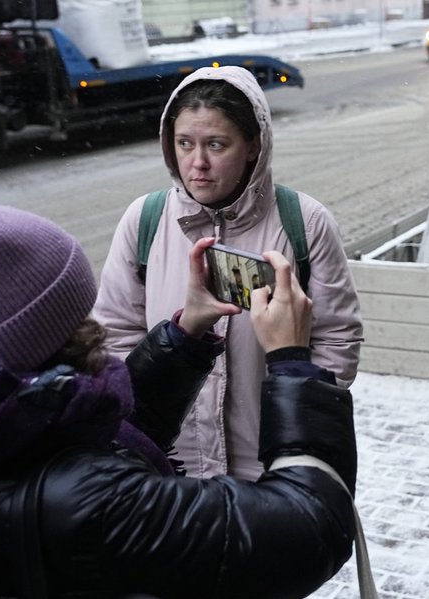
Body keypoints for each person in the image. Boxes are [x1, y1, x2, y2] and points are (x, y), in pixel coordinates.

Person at [0, 200, 358, 597]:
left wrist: (186, 335)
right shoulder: (87, 501)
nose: (92, 324)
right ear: (31, 339)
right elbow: (312, 527)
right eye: (74, 313)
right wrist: (292, 361)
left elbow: (106, 433)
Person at [94, 66, 362, 480]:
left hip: (271, 470)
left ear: (254, 145)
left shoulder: (304, 222)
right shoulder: (143, 220)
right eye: (185, 144)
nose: (197, 163)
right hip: (170, 472)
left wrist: (297, 437)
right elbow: (114, 335)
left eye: (216, 145)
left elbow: (338, 338)